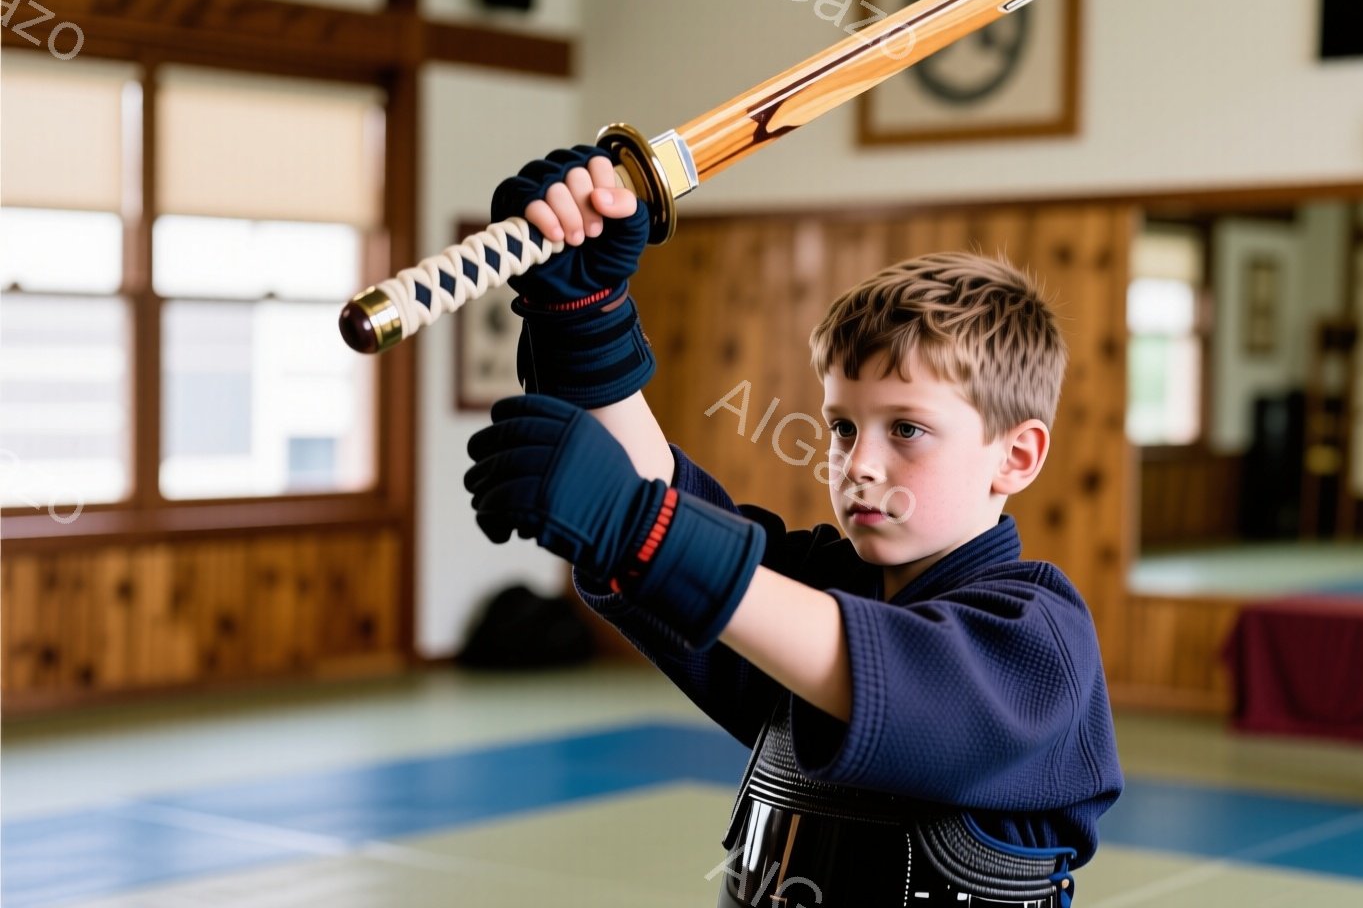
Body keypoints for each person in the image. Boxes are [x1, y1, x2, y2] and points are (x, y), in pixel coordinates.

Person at [462, 145, 1122, 906]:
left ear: (1016, 456)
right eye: (843, 427)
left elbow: (878, 668)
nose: (858, 463)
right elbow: (673, 520)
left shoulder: (1040, 642)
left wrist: (644, 529)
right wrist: (585, 319)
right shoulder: (813, 587)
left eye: (906, 429)